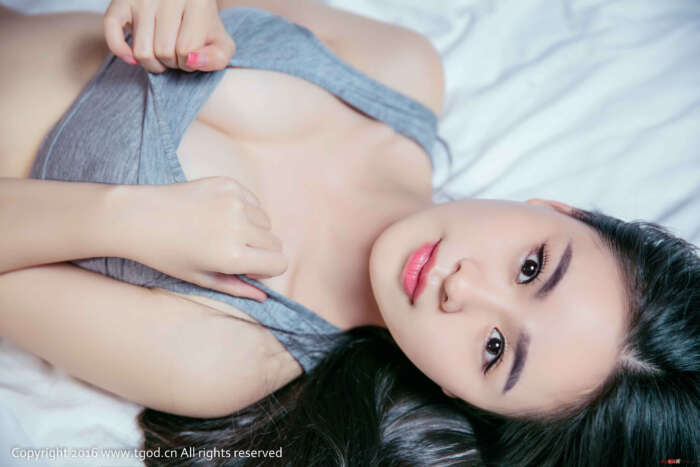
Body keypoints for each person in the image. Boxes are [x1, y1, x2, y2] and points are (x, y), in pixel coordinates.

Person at [0, 1, 697, 465]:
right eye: (531, 267)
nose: (462, 288)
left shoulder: (229, 353)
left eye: (493, 350)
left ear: (463, 398)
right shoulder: (400, 70)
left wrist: (121, 218)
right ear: (559, 210)